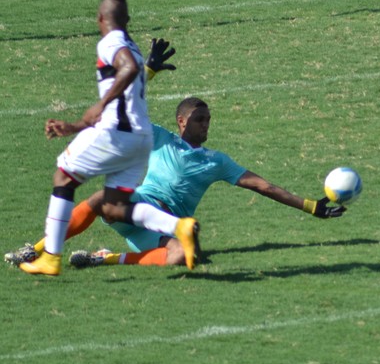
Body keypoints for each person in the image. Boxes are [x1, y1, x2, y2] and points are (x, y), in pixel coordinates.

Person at [6, 97, 346, 268]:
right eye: (199, 119)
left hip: (167, 226)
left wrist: (310, 206)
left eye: (209, 119)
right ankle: (38, 250)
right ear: (181, 121)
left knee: (182, 257)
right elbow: (124, 109)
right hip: (138, 207)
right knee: (99, 198)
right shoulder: (160, 138)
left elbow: (263, 187)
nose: (206, 125)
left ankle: (102, 259)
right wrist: (147, 71)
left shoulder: (217, 161)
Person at [18, 0, 199, 276]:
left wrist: (99, 106)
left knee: (63, 177)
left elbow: (127, 69)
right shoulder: (134, 47)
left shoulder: (111, 42)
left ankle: (50, 257)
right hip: (141, 139)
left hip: (117, 134)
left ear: (100, 19)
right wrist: (78, 126)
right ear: (127, 19)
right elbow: (131, 80)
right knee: (115, 207)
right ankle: (178, 226)